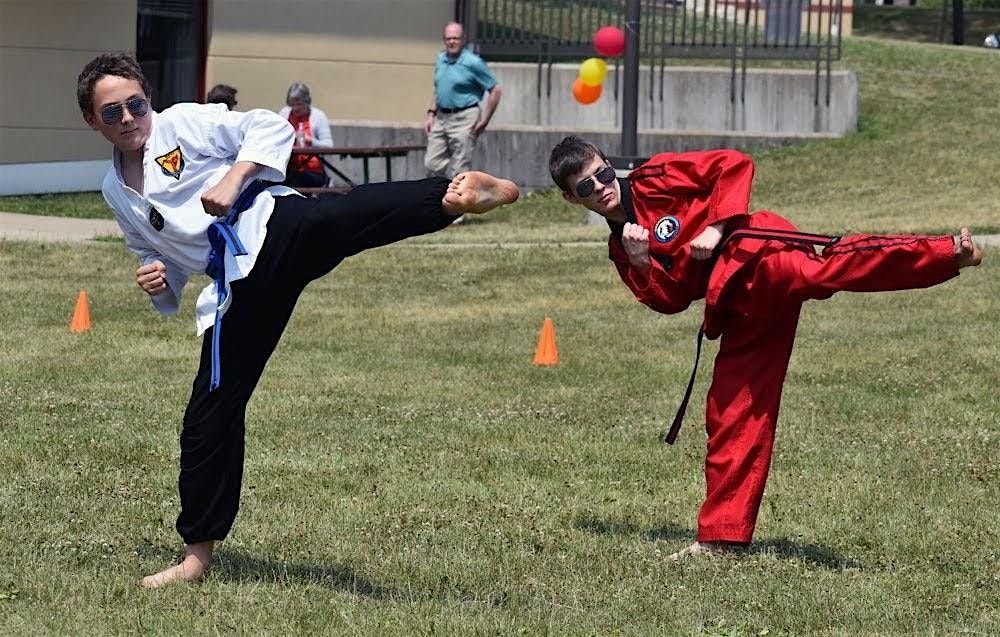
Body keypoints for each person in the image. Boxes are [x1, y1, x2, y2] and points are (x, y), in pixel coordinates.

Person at [77, 52, 519, 588]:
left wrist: (234, 179)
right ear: (91, 123)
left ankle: (451, 198)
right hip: (238, 285)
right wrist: (156, 274)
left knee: (342, 216)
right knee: (209, 413)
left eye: (135, 105)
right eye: (111, 113)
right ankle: (196, 556)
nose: (127, 118)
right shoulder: (113, 190)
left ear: (149, 99)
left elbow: (266, 125)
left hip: (270, 224)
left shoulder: (185, 122)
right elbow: (154, 249)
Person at [548, 136, 983, 560]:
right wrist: (641, 260)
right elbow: (671, 301)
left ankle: (945, 253)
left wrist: (716, 229)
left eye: (604, 173)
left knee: (822, 268)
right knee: (730, 411)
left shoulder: (656, 177)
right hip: (737, 306)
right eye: (586, 186)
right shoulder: (621, 248)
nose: (602, 186)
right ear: (572, 199)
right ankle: (721, 538)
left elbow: (733, 164)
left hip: (758, 251)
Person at [424, 21, 502, 222]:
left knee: (460, 166)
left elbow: (495, 90)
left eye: (456, 38)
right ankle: (435, 204)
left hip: (465, 116)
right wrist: (431, 112)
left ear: (463, 39)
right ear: (444, 40)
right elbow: (438, 88)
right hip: (441, 116)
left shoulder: (473, 62)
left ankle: (456, 212)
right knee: (432, 163)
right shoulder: (441, 59)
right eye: (448, 38)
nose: (452, 41)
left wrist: (485, 119)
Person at [278, 82, 333, 188]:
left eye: (299, 104)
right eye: (292, 104)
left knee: (295, 181)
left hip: (312, 169)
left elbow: (329, 145)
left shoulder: (318, 116)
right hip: (286, 168)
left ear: (307, 102)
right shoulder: (284, 114)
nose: (295, 108)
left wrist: (311, 141)